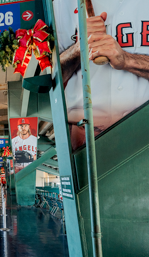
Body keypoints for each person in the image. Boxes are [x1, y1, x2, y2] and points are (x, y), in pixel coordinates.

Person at [55, 0, 149, 149]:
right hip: (86, 139)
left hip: (144, 132)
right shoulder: (62, 5)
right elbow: (51, 77)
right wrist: (78, 48)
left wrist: (127, 60)